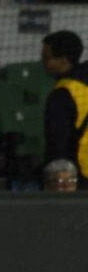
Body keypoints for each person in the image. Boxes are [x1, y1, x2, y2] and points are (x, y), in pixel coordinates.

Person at [42, 30, 88, 187]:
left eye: (47, 58)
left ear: (63, 60)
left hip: (79, 175)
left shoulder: (63, 93)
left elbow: (57, 142)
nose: (42, 62)